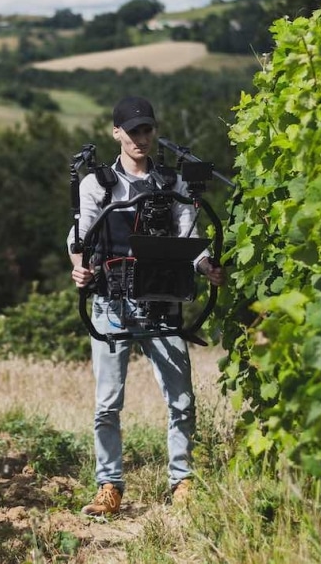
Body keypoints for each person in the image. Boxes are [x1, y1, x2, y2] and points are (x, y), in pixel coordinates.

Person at [69, 95, 225, 516]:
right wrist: (80, 271)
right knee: (107, 403)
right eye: (133, 130)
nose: (141, 137)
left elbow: (187, 235)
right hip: (111, 305)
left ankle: (182, 481)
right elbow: (78, 239)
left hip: (163, 302)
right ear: (116, 133)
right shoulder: (97, 184)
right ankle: (109, 485)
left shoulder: (173, 183)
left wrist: (206, 264)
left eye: (147, 129)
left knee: (181, 400)